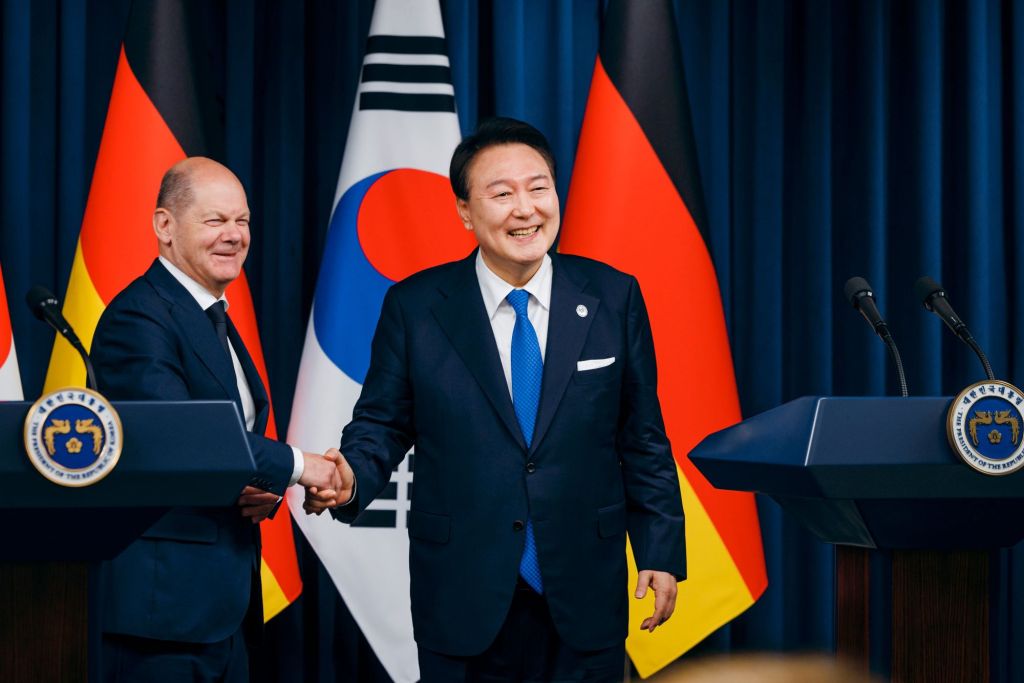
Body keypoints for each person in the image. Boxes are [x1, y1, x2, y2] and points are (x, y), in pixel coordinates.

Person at [307, 118, 686, 682]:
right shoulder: (416, 307)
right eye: (502, 193)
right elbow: (382, 424)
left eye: (538, 188)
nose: (526, 209)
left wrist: (659, 548)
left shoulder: (613, 295)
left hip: (584, 587)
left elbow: (642, 437)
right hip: (462, 592)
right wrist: (351, 477)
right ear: (464, 210)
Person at [91, 157, 349, 682]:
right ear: (164, 226)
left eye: (244, 221)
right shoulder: (138, 315)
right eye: (215, 221)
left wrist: (255, 488)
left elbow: (221, 454)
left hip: (225, 608)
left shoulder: (214, 316)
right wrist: (303, 467)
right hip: (162, 617)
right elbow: (185, 434)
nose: (234, 236)